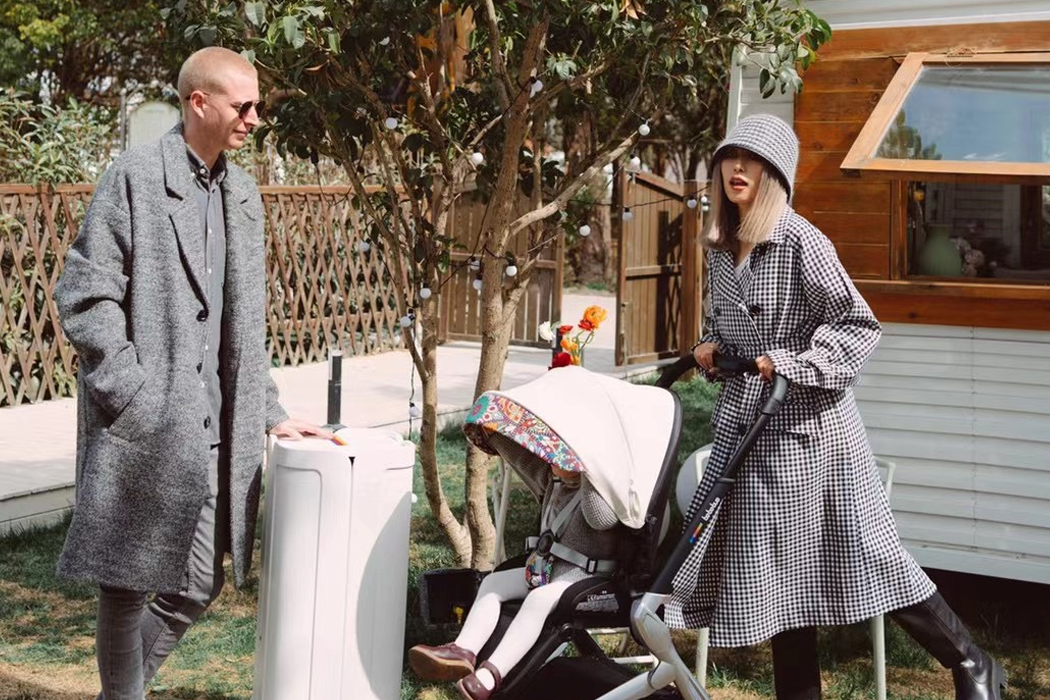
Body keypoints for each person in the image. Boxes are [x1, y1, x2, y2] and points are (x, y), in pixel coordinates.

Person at [669, 113, 1006, 700]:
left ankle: (972, 662)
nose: (737, 169)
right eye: (729, 158)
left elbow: (857, 326)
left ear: (775, 174)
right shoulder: (723, 248)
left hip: (814, 435)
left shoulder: (802, 240)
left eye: (752, 161)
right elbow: (728, 323)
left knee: (872, 554)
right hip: (750, 432)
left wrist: (790, 363)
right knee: (776, 578)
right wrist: (711, 345)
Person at [53, 47, 332, 700]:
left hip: (215, 431)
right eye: (244, 105)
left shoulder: (242, 193)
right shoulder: (134, 177)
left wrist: (267, 410)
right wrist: (132, 392)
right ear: (198, 102)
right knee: (126, 587)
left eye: (257, 105)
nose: (255, 118)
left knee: (200, 582)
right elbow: (85, 294)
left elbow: (243, 322)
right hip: (144, 422)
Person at [408, 394, 620, 700]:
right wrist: (492, 427)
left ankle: (491, 675)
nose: (552, 462)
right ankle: (462, 651)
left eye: (560, 457)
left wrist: (590, 470)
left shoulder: (601, 495)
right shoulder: (554, 481)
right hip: (550, 571)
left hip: (586, 579)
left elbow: (600, 519)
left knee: (539, 600)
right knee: (493, 584)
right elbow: (522, 459)